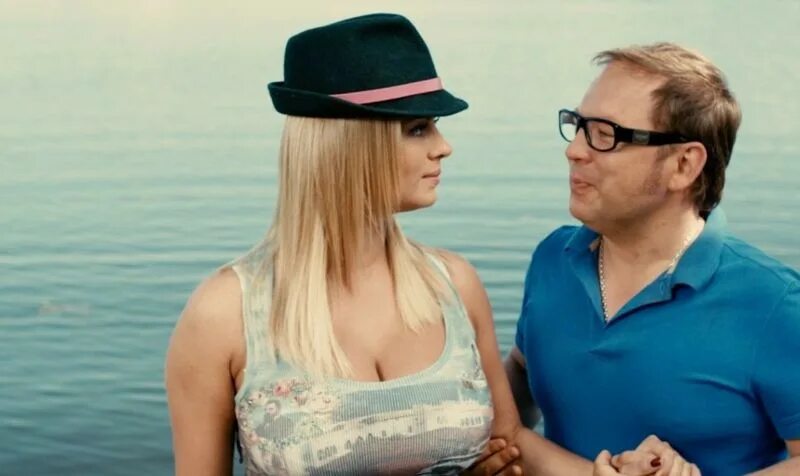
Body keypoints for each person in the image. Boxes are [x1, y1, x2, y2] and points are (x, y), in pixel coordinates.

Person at [165, 13, 684, 476]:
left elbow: (509, 447)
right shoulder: (225, 315)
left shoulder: (453, 285)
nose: (443, 146)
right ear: (349, 146)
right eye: (418, 128)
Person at [501, 42, 800, 475]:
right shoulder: (554, 258)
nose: (575, 150)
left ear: (683, 165)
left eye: (605, 134)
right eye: (578, 126)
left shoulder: (773, 303)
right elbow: (523, 373)